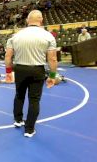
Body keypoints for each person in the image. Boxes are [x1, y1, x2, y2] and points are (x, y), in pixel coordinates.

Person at [5, 10, 58, 138]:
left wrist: (8, 72)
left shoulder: (15, 36)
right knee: (34, 100)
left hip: (20, 70)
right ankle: (29, 130)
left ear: (27, 21)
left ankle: (18, 120)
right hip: (37, 70)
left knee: (19, 95)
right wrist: (52, 76)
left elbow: (8, 56)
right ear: (41, 20)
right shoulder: (48, 36)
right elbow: (52, 59)